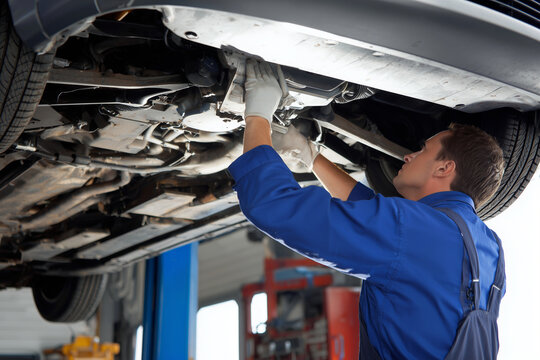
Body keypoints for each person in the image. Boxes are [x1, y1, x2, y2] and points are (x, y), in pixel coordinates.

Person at [228, 60, 505, 359]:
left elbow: (275, 205)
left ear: (445, 167)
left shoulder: (413, 230)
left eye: (423, 150)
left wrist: (257, 115)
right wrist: (310, 156)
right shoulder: (488, 248)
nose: (410, 155)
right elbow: (377, 220)